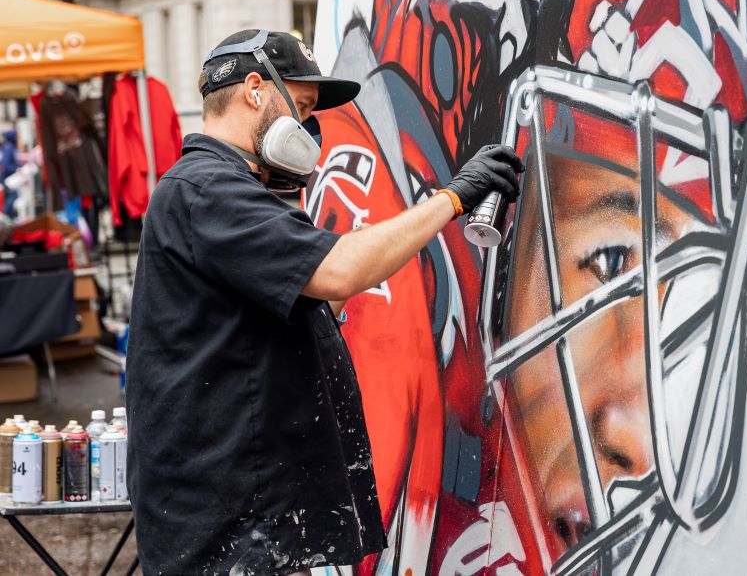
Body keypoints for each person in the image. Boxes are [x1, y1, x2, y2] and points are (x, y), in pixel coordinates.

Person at [124, 29, 523, 576]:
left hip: (239, 516)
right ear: (256, 91)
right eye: (304, 107)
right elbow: (341, 269)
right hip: (227, 526)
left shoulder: (220, 189)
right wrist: (452, 200)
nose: (310, 128)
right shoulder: (207, 191)